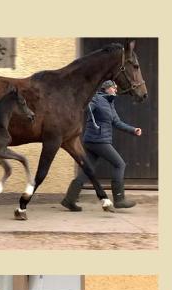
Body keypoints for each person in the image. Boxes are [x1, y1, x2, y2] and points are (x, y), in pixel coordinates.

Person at [61, 80, 142, 211]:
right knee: (119, 164)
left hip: (94, 141)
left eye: (116, 87)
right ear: (106, 88)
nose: (116, 89)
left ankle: (69, 199)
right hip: (98, 140)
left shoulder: (110, 102)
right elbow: (85, 108)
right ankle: (119, 199)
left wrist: (133, 130)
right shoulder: (96, 99)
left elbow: (117, 122)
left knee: (88, 170)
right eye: (113, 87)